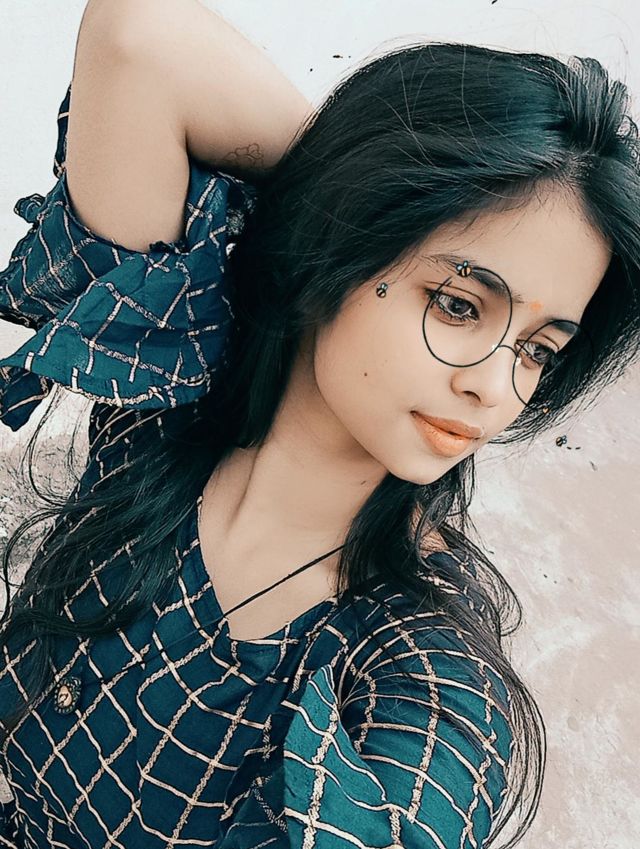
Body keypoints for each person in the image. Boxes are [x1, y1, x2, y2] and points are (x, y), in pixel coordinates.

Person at [0, 3, 638, 847]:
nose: (495, 388)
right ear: (343, 241)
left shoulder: (413, 670)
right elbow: (138, 40)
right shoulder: (167, 394)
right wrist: (346, 188)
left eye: (537, 349)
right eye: (458, 304)